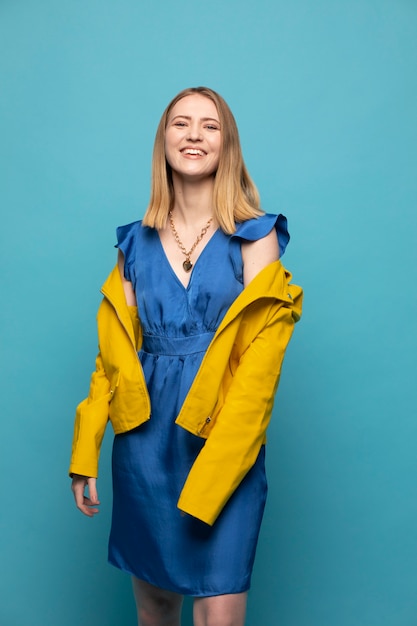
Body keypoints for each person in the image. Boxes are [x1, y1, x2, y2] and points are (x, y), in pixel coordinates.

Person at [69, 86, 303, 626]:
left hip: (225, 436)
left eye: (210, 125)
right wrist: (86, 449)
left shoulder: (255, 238)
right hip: (145, 441)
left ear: (227, 144)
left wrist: (221, 463)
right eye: (181, 123)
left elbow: (261, 369)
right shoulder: (133, 244)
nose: (194, 134)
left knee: (218, 613)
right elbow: (111, 360)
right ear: (164, 141)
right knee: (155, 613)